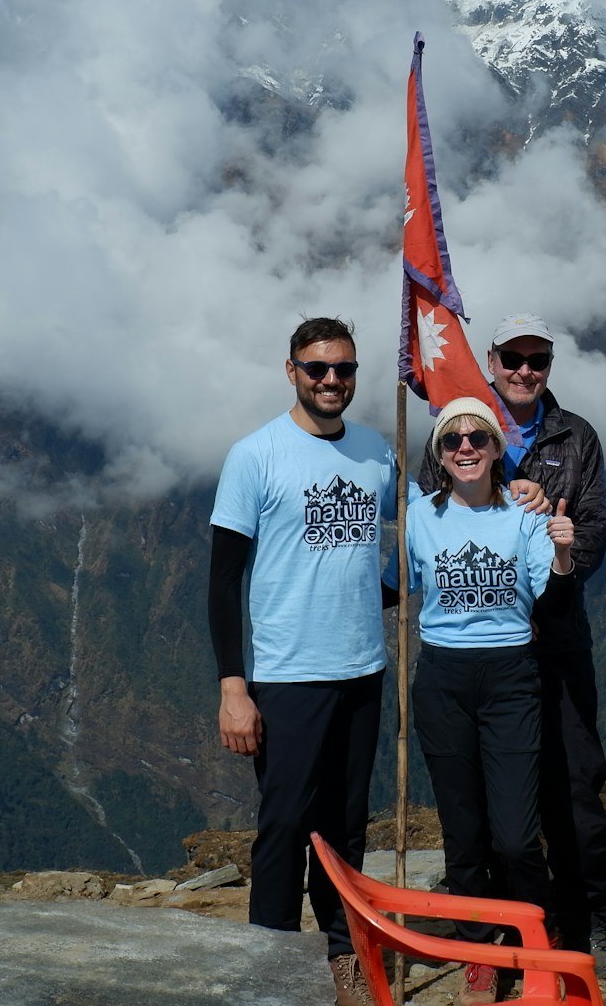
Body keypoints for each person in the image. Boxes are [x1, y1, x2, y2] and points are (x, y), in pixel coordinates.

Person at [418, 314, 606, 978]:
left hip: (552, 642)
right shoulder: (456, 429)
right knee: (477, 808)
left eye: (538, 359)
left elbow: (590, 529)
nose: (525, 369)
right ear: (492, 358)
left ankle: (582, 920)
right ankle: (492, 935)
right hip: (467, 654)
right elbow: (433, 523)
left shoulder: (576, 438)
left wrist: (550, 536)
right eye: (513, 357)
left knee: (570, 786)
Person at [209, 317, 396, 1006]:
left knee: (345, 827)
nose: (331, 381)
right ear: (291, 370)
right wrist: (234, 686)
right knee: (286, 825)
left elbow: (411, 538)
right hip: (287, 673)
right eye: (317, 369)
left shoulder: (377, 453)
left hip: (362, 669)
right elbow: (223, 580)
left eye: (343, 369)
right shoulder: (256, 455)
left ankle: (344, 955)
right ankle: (274, 965)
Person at [406, 396, 573, 1006]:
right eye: (453, 441)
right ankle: (480, 950)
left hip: (510, 676)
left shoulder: (524, 515)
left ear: (499, 450)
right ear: (439, 455)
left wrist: (561, 553)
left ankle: (535, 935)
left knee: (515, 836)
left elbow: (550, 605)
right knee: (463, 830)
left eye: (479, 437)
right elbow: (403, 588)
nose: (466, 447)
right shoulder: (420, 516)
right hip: (443, 678)